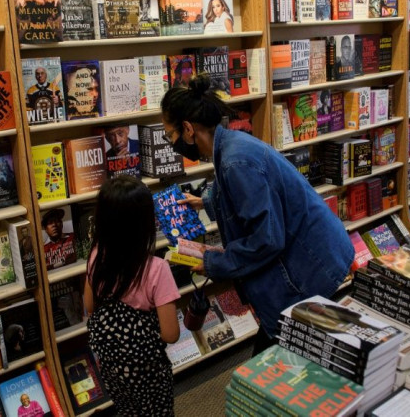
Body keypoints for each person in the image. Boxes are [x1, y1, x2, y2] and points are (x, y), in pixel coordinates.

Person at [161, 75, 354, 354]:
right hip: (312, 256)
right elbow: (246, 198)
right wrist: (204, 202)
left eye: (171, 135)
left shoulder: (234, 162)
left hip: (307, 268)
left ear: (189, 129)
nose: (172, 142)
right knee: (275, 358)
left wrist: (214, 262)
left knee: (280, 364)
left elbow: (267, 239)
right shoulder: (233, 144)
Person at [84, 176, 180, 415]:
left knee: (127, 410)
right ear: (145, 223)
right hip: (148, 372)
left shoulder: (96, 255)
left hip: (111, 365)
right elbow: (170, 334)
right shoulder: (157, 269)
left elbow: (89, 306)